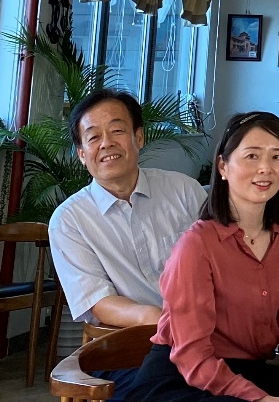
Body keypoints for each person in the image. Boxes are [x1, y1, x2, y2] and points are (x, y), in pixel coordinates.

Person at [126, 111, 279, 402]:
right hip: (178, 390)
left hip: (249, 375)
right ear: (223, 166)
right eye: (252, 155)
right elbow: (193, 357)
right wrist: (264, 400)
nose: (265, 168)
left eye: (277, 156)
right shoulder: (197, 244)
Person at [49, 89, 207, 329]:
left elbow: (221, 263)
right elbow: (98, 302)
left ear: (139, 137)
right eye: (94, 137)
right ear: (81, 154)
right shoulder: (69, 221)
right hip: (133, 338)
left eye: (117, 131)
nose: (106, 143)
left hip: (207, 328)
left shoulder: (184, 191)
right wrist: (160, 321)